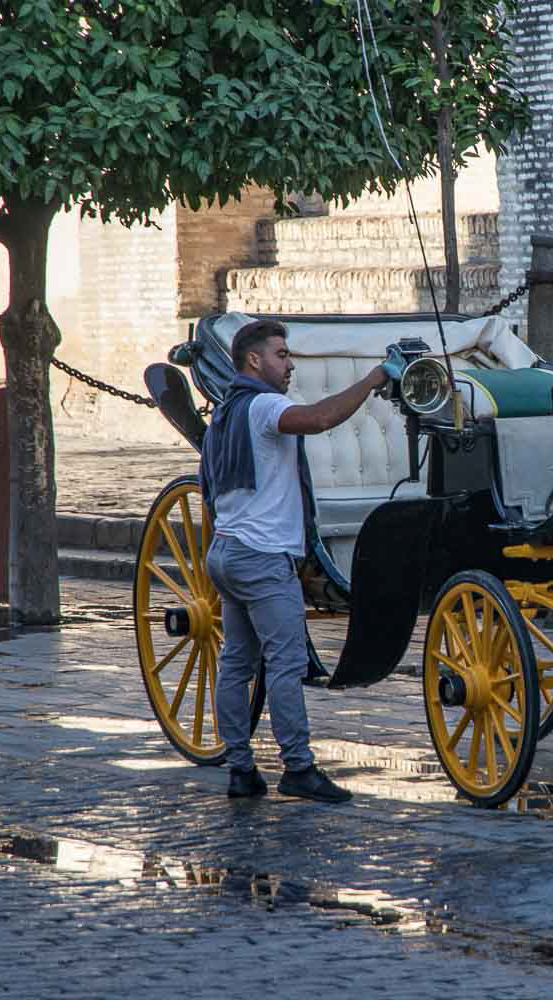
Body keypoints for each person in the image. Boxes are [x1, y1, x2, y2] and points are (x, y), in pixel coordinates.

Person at [200, 319, 403, 803]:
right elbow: (316, 420)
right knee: (285, 664)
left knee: (236, 664)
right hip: (263, 559)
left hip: (226, 552)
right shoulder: (264, 405)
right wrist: (375, 379)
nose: (290, 365)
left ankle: (241, 769)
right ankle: (298, 766)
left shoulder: (226, 410)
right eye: (282, 355)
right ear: (254, 360)